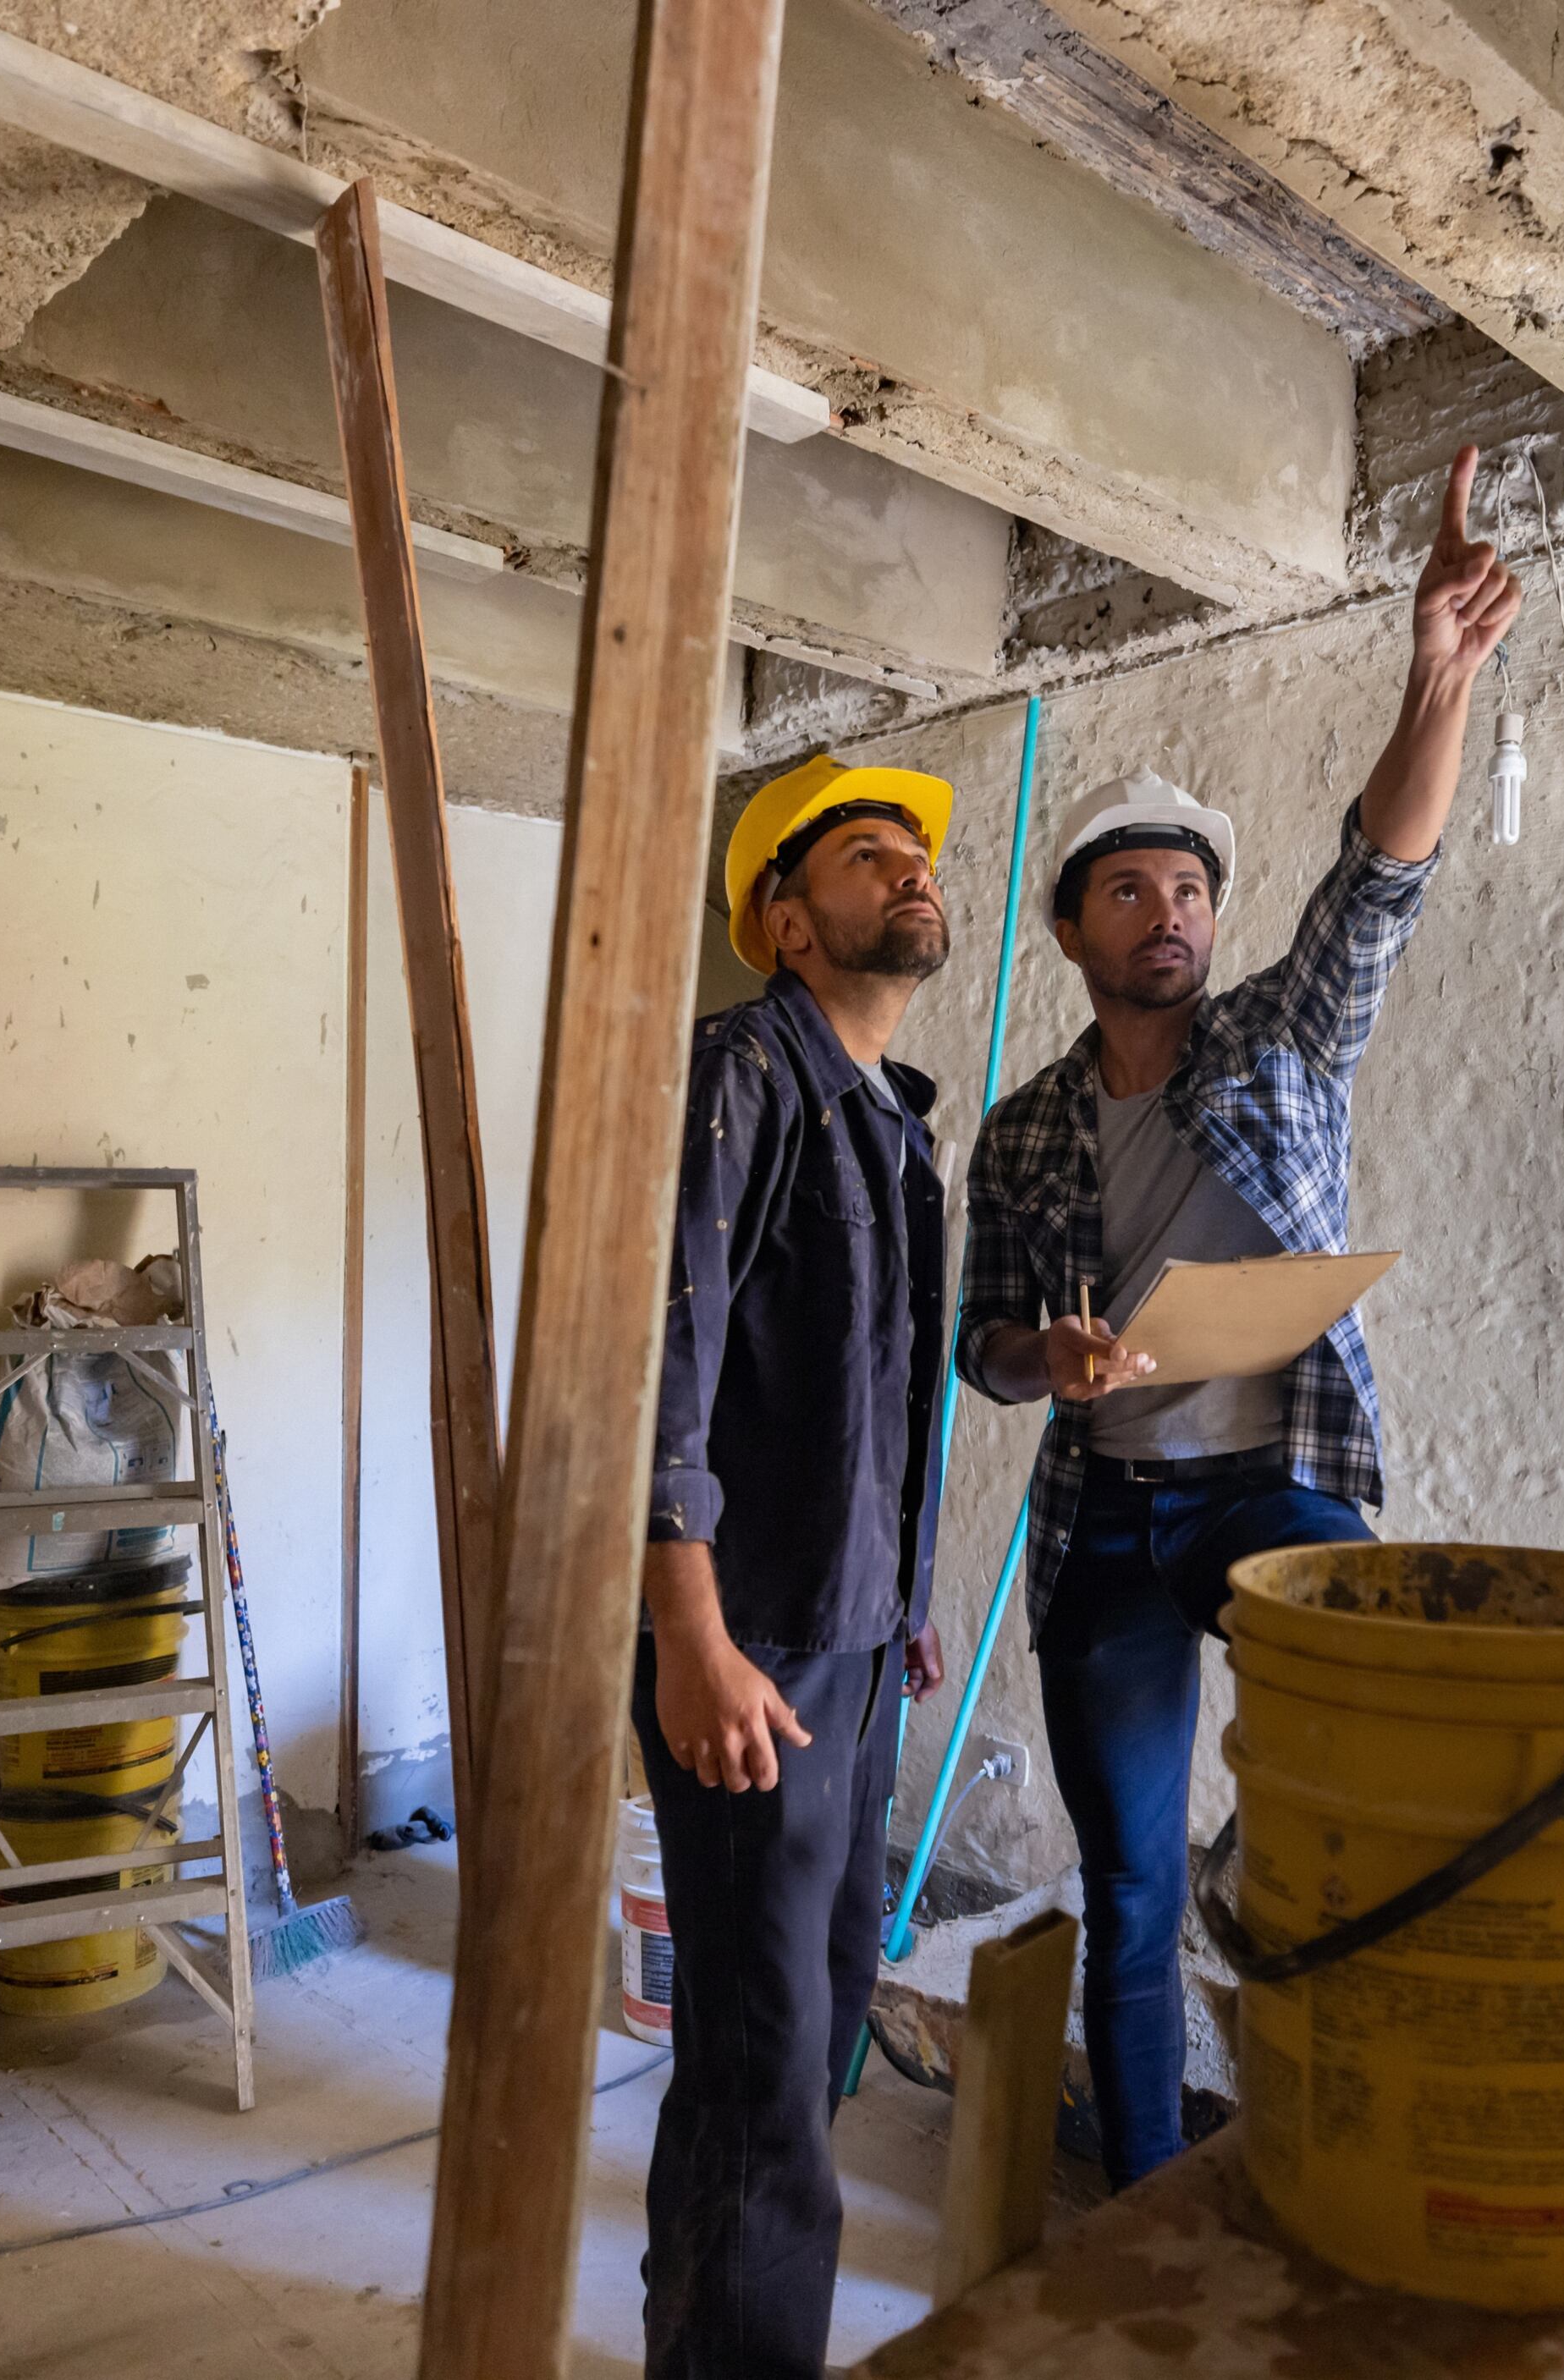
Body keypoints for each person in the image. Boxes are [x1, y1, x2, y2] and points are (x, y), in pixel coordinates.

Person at [955, 446, 1523, 2189]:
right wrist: (1043, 1361)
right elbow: (979, 1346)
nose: (1173, 911)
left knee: (1337, 1850)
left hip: (1274, 1492)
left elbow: (1375, 886)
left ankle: (1332, 2169)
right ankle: (1134, 2201)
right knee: (1127, 1893)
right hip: (1105, 1526)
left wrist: (1432, 679)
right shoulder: (1024, 1129)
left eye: (1191, 886)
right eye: (1131, 889)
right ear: (1071, 931)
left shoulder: (1279, 1044)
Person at [636, 752, 957, 2378]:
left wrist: (901, 1605)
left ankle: (694, 2338)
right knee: (769, 2075)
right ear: (783, 922)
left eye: (917, 854)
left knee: (799, 2037)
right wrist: (690, 1634)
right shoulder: (742, 1073)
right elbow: (661, 1371)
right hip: (745, 1645)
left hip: (846, 1650)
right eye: (865, 855)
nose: (909, 871)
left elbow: (875, 1390)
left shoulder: (894, 1126)